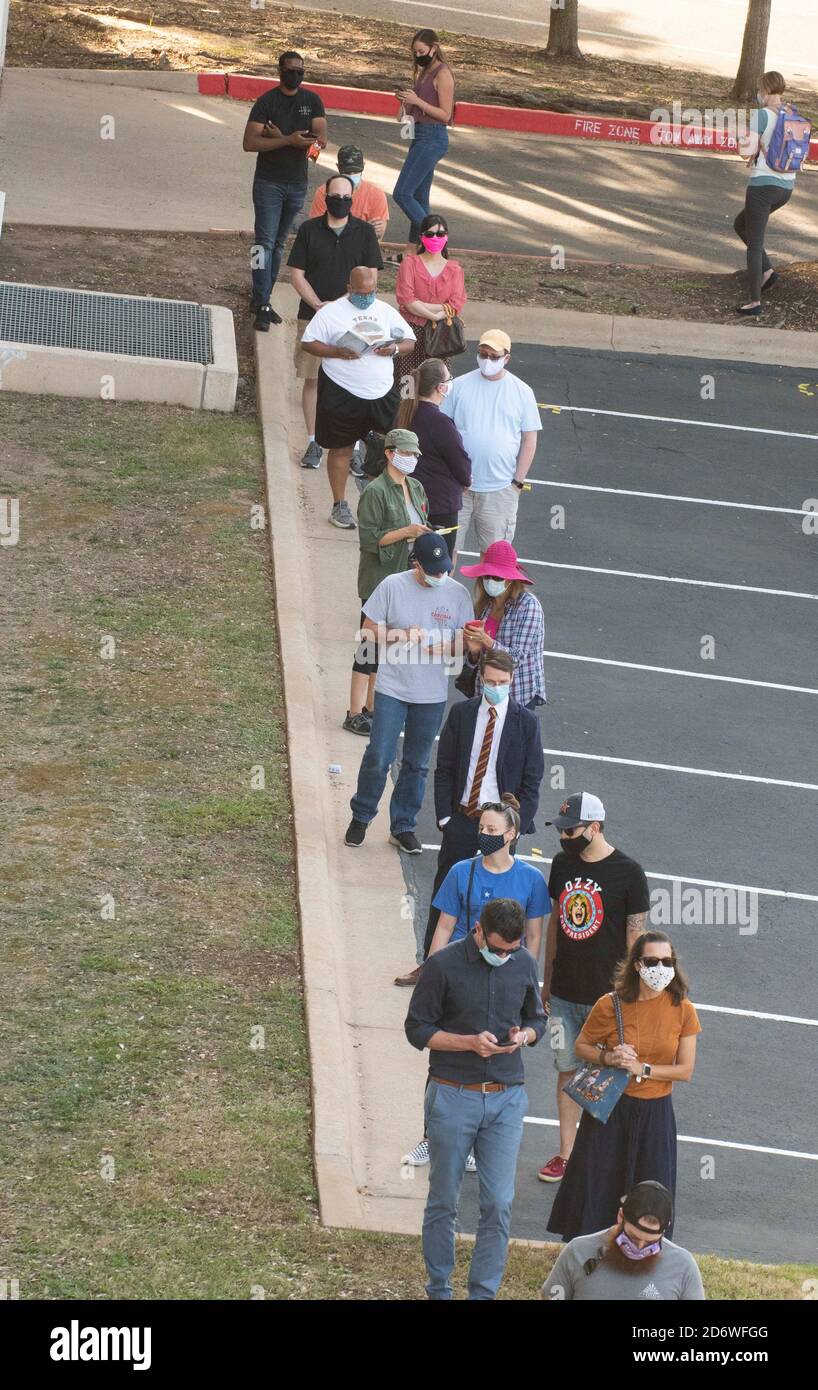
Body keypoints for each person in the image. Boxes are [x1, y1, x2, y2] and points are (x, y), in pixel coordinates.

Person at [405, 898, 547, 1300]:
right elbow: (417, 1029)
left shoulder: (521, 962)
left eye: (512, 949)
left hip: (506, 1098)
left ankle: (482, 1293)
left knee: (499, 1203)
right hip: (453, 1094)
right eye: (499, 947)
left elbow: (536, 1017)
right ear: (479, 931)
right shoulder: (443, 965)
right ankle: (440, 1289)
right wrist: (467, 1043)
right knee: (444, 1199)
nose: (505, 956)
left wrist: (526, 1036)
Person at [401, 797, 548, 1172]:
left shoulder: (530, 880)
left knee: (493, 1051)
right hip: (461, 971)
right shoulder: (461, 872)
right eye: (481, 829)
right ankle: (429, 1137)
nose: (484, 835)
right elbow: (444, 927)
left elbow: (533, 938)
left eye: (492, 831)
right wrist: (431, 973)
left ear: (512, 835)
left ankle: (470, 1139)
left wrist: (529, 982)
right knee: (446, 1058)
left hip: (505, 975)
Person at [395, 648, 544, 986]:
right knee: (446, 894)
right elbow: (444, 768)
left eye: (503, 682)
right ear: (481, 679)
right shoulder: (462, 715)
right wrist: (446, 818)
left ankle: (495, 973)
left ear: (512, 681)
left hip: (503, 829)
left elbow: (532, 780)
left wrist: (515, 829)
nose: (496, 687)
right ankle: (429, 966)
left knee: (501, 903)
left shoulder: (526, 723)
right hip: (464, 820)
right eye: (490, 681)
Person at [546, 933, 701, 1242]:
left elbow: (684, 1071)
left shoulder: (683, 1009)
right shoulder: (611, 1004)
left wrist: (641, 1068)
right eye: (652, 961)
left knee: (653, 1190)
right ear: (637, 965)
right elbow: (582, 1047)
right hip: (611, 1110)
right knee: (598, 1182)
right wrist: (609, 1056)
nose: (661, 968)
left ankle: (646, 1251)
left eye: (667, 962)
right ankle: (589, 1251)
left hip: (656, 1113)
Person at [537, 793, 650, 1184]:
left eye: (571, 830)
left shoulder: (629, 873)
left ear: (595, 828)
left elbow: (636, 937)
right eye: (562, 830)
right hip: (565, 994)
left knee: (604, 1077)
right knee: (566, 1071)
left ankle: (597, 1156)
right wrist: (547, 980)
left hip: (607, 999)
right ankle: (567, 1155)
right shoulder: (562, 863)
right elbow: (556, 922)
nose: (565, 836)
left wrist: (632, 992)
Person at [344, 532, 473, 853]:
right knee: (380, 755)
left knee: (417, 763)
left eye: (443, 570)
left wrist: (449, 646)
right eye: (432, 571)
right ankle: (361, 815)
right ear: (417, 564)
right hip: (392, 688)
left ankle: (402, 826)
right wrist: (400, 634)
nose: (438, 576)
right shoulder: (392, 586)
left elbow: (468, 640)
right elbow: (366, 629)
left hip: (431, 695)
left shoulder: (457, 595)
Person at [300, 267, 415, 530]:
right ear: (349, 288)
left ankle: (382, 507)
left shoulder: (385, 311)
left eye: (372, 291)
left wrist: (394, 348)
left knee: (386, 450)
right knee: (340, 448)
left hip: (382, 392)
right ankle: (339, 504)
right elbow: (308, 343)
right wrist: (337, 351)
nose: (367, 297)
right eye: (361, 293)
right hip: (342, 391)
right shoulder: (331, 313)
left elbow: (409, 339)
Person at [288, 177, 384, 470]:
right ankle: (314, 441)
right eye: (334, 195)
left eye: (345, 196)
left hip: (353, 320)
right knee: (313, 380)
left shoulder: (365, 232)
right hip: (312, 317)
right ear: (325, 196)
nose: (340, 200)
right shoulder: (308, 230)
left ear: (352, 199)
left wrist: (342, 304)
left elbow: (371, 277)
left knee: (351, 384)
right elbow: (296, 274)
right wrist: (318, 304)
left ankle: (351, 446)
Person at [345, 427, 431, 736]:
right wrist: (408, 532)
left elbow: (423, 522)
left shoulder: (416, 488)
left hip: (405, 579)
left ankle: (371, 709)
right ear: (389, 452)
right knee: (368, 647)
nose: (411, 459)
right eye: (406, 453)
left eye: (414, 454)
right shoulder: (376, 492)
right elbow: (370, 540)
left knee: (385, 650)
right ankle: (354, 711)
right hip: (378, 580)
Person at [243, 51, 327, 333]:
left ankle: (261, 298)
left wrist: (281, 138)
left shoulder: (311, 101)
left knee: (279, 244)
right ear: (280, 70)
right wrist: (291, 140)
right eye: (291, 70)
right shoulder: (267, 102)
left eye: (301, 71)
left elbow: (318, 147)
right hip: (268, 182)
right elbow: (249, 143)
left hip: (296, 183)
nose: (296, 75)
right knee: (263, 242)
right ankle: (262, 300)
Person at [441, 331, 541, 554]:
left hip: (500, 490)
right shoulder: (458, 386)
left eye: (494, 356)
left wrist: (516, 483)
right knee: (447, 554)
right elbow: (444, 430)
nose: (487, 360)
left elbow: (529, 439)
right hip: (458, 488)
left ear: (506, 358)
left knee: (495, 563)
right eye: (483, 354)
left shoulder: (522, 392)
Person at [541, 1181, 705, 1301]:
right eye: (633, 1238)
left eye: (650, 1244)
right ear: (620, 1217)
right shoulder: (578, 1251)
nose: (639, 1248)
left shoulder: (683, 1266)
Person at [734, 72, 801, 316]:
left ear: (764, 90)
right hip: (786, 187)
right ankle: (769, 272)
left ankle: (754, 301)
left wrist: (741, 140)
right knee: (741, 224)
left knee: (755, 243)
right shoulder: (792, 113)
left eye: (759, 91)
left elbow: (746, 152)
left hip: (763, 187)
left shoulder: (761, 115)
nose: (758, 96)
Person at [393, 358, 471, 559]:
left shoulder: (405, 414)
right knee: (436, 564)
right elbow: (460, 463)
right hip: (439, 506)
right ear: (441, 387)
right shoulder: (441, 423)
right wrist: (466, 481)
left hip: (406, 500)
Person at [459, 541, 546, 709]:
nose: (491, 581)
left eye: (497, 577)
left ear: (511, 580)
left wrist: (486, 641)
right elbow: (475, 660)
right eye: (487, 576)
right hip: (483, 694)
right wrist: (474, 651)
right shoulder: (485, 605)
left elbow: (516, 658)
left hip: (517, 696)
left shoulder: (528, 606)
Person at [392, 31, 455, 259]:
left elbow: (445, 114)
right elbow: (411, 110)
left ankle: (436, 241)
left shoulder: (443, 74)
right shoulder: (424, 73)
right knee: (419, 198)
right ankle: (412, 253)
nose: (418, 56)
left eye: (421, 51)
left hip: (433, 137)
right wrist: (404, 101)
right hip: (419, 135)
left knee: (402, 193)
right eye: (415, 52)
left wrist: (417, 100)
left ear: (434, 48)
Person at [394, 214, 467, 383]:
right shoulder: (409, 264)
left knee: (437, 383)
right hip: (411, 331)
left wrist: (422, 307)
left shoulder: (455, 269)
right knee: (408, 384)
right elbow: (405, 299)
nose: (435, 237)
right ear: (421, 237)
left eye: (440, 234)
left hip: (441, 334)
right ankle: (407, 410)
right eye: (430, 234)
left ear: (446, 237)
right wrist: (437, 311)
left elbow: (456, 304)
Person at [308, 144, 389, 240]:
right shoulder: (323, 193)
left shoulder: (376, 195)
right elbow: (317, 232)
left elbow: (378, 237)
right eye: (347, 172)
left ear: (364, 166)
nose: (351, 176)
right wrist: (363, 231)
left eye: (355, 172)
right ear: (338, 167)